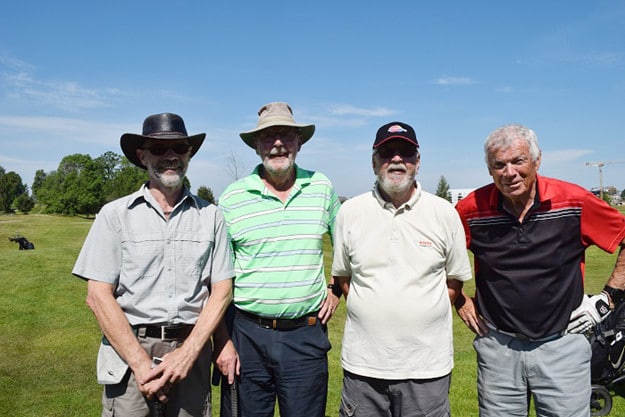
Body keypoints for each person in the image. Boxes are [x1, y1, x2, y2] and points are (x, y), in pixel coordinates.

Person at [454, 123, 625, 417]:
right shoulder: (472, 209)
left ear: (537, 160)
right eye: (499, 165)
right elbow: (440, 256)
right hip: (498, 347)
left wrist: (609, 297)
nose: (509, 173)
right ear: (489, 169)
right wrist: (459, 299)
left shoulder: (574, 201)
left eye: (518, 161)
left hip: (563, 345)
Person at [72, 112, 234, 417]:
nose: (170, 156)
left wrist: (188, 353)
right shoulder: (115, 215)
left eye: (179, 148)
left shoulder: (212, 216)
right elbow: (97, 296)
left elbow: (222, 291)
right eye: (159, 149)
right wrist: (140, 364)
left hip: (192, 350)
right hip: (130, 350)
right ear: (142, 156)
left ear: (189, 153)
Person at [331, 121, 473, 417]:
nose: (396, 159)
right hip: (363, 367)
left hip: (427, 368)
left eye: (406, 152)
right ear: (374, 163)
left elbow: (454, 280)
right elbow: (344, 277)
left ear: (417, 162)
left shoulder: (444, 213)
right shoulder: (350, 212)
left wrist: (419, 311)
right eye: (387, 153)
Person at [213, 102, 342, 417]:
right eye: (268, 137)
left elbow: (346, 245)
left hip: (305, 336)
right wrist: (222, 342)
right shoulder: (232, 197)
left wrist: (336, 286)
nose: (278, 144)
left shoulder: (321, 187)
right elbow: (215, 279)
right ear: (257, 146)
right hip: (246, 336)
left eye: (285, 135)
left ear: (299, 142)